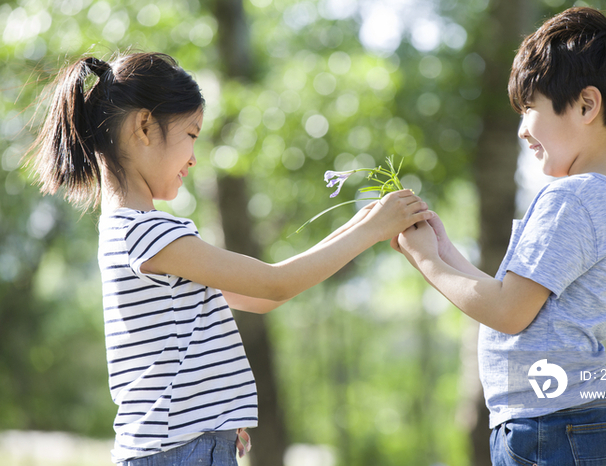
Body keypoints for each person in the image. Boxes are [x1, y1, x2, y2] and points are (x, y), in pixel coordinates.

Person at [27, 52, 433, 465]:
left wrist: (363, 223)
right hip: (181, 452)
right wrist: (371, 230)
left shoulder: (136, 236)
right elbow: (275, 283)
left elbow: (267, 298)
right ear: (144, 126)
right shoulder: (148, 235)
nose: (193, 157)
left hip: (186, 448)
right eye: (191, 134)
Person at [391, 7, 606, 465]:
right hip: (566, 421)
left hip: (551, 426)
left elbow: (508, 313)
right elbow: (514, 297)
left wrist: (426, 262)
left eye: (531, 108)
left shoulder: (569, 199)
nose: (522, 128)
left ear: (587, 105)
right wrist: (444, 249)